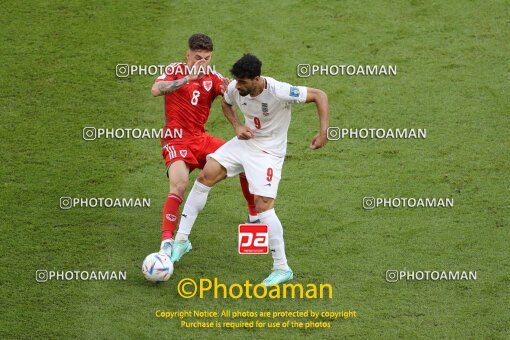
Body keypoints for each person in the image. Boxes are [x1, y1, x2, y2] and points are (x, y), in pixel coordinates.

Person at [171, 53, 330, 285]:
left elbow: (320, 95)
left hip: (268, 152)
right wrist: (236, 126)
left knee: (263, 206)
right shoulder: (237, 88)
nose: (237, 86)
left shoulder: (279, 91)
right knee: (206, 176)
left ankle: (282, 268)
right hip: (244, 142)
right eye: (236, 81)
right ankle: (182, 240)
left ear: (256, 79)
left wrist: (324, 132)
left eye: (243, 82)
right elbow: (226, 103)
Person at [152, 35, 258, 258]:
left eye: (206, 58)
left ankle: (253, 216)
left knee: (246, 160)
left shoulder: (213, 77)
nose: (201, 62)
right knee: (179, 186)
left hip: (200, 139)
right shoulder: (176, 70)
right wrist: (187, 78)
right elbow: (156, 89)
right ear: (188, 54)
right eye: (197, 57)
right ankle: (167, 243)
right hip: (176, 138)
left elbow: (233, 92)